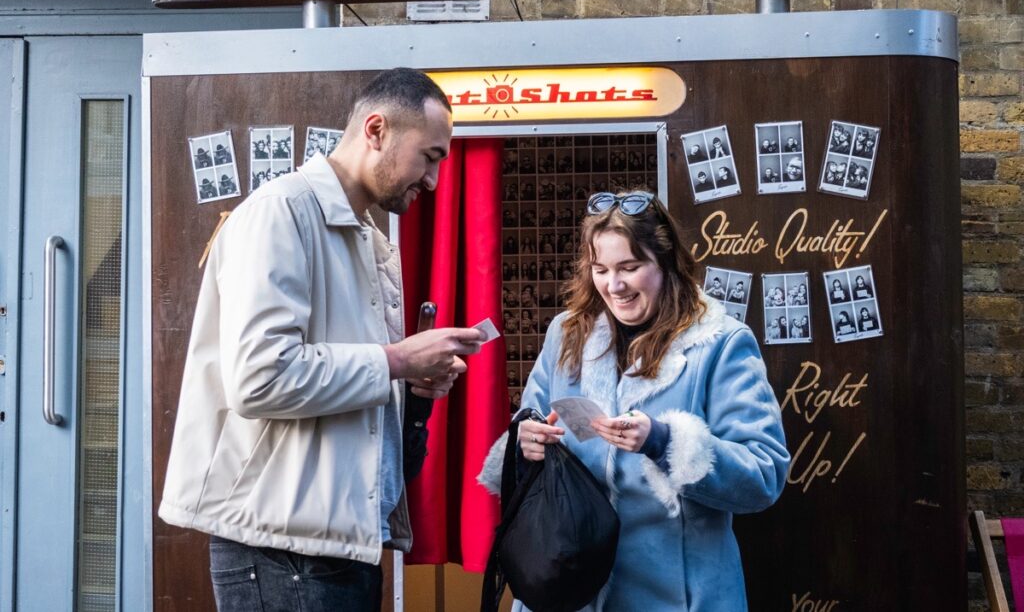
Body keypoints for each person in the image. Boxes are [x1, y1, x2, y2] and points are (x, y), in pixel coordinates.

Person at [159, 68, 487, 612]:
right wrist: (398, 360)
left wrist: (413, 385)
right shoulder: (279, 213)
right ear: (376, 130)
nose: (432, 180)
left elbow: (346, 387)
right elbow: (260, 378)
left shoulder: (366, 238)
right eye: (430, 156)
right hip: (282, 554)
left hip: (328, 546)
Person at [479, 190, 789, 612]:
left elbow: (763, 475)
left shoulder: (721, 343)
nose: (614, 285)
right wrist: (524, 444)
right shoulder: (566, 333)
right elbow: (526, 425)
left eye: (630, 267)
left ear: (665, 263)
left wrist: (663, 441)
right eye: (601, 269)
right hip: (566, 594)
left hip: (676, 599)